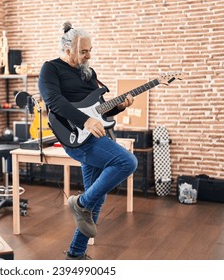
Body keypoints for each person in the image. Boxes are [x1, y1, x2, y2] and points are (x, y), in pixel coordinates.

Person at [38, 21, 138, 260]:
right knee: (128, 162)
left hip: (94, 131)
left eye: (90, 50)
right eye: (84, 51)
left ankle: (76, 254)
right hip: (75, 135)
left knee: (98, 196)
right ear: (68, 48)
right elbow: (53, 101)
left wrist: (119, 107)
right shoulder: (50, 68)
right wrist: (85, 121)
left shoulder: (88, 72)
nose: (88, 55)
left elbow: (100, 111)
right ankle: (81, 203)